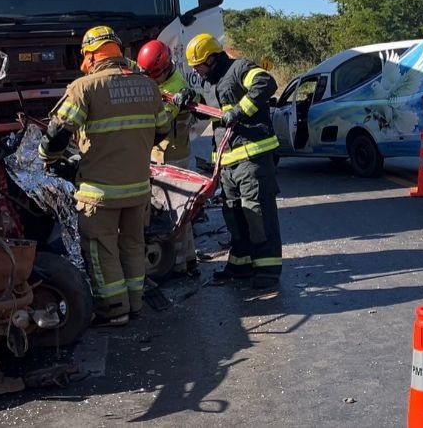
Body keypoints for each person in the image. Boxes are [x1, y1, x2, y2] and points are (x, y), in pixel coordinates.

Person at [39, 25, 172, 326]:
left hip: (99, 192)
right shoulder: (147, 85)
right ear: (119, 50)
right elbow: (162, 129)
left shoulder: (84, 87)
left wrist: (47, 158)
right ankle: (135, 303)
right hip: (138, 189)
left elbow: (58, 134)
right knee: (133, 245)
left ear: (90, 55)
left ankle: (114, 310)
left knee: (102, 250)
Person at [182, 33, 283, 290]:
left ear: (213, 59)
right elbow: (203, 108)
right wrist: (186, 98)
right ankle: (241, 266)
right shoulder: (209, 83)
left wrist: (239, 111)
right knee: (236, 216)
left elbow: (265, 82)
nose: (198, 72)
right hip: (228, 163)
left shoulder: (240, 68)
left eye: (199, 66)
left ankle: (268, 271)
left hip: (252, 158)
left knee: (258, 215)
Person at [136, 39, 199, 276]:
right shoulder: (157, 78)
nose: (151, 80)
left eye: (154, 76)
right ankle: (188, 260)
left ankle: (181, 264)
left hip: (172, 157)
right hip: (161, 155)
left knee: (174, 213)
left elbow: (160, 123)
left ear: (164, 68)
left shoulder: (176, 88)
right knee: (178, 212)